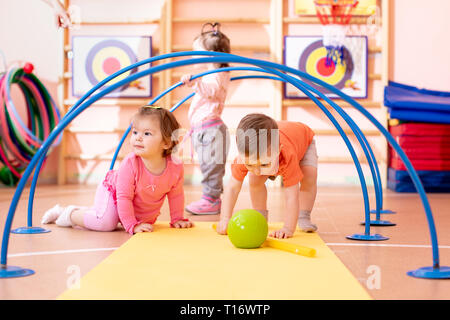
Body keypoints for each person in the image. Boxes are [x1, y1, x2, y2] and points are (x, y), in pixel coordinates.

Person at [42, 106, 193, 234]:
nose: (138, 138)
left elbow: (176, 195)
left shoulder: (175, 166)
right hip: (112, 193)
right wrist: (131, 225)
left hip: (135, 207)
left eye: (147, 133)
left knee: (144, 221)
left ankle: (95, 212)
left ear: (166, 143)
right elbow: (124, 197)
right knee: (106, 223)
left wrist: (177, 218)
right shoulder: (130, 163)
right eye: (135, 132)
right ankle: (67, 213)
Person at [216, 113, 318, 239]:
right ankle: (261, 217)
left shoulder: (288, 156)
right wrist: (225, 219)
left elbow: (291, 196)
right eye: (250, 164)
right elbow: (232, 188)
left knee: (309, 177)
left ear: (278, 150)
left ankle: (304, 216)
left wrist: (288, 228)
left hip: (304, 142)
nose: (258, 170)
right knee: (255, 179)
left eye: (264, 164)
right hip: (279, 141)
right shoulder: (243, 158)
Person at [180, 22, 231, 215]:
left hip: (211, 129)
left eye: (196, 52)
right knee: (207, 165)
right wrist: (197, 81)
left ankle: (211, 200)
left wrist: (195, 81)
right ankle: (212, 197)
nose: (193, 57)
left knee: (211, 166)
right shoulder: (211, 75)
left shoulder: (218, 74)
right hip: (203, 129)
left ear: (210, 54)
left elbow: (213, 92)